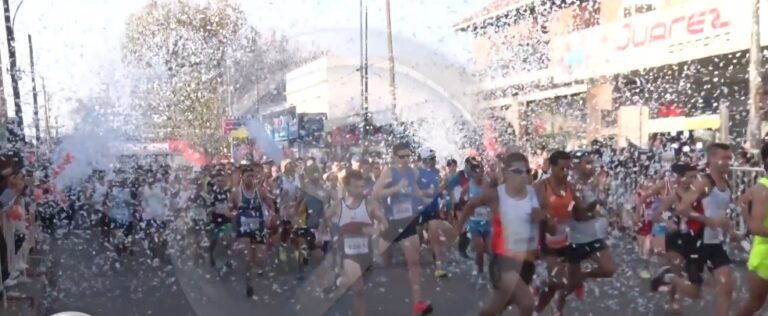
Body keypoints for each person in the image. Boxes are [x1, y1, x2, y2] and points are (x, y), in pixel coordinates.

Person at [651, 143, 734, 316]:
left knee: (727, 287)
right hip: (695, 241)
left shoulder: (726, 183)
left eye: (729, 157)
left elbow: (719, 215)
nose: (728, 161)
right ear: (712, 158)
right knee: (695, 293)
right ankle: (669, 278)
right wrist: (669, 223)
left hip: (714, 243)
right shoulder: (703, 182)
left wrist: (734, 233)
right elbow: (680, 209)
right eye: (724, 158)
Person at [457, 152, 545, 316]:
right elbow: (470, 205)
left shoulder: (532, 193)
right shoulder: (496, 194)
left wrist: (543, 218)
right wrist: (460, 229)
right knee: (527, 304)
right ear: (506, 172)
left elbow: (544, 220)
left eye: (526, 171)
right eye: (517, 171)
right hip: (503, 262)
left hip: (526, 261)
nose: (523, 175)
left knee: (497, 307)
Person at [373, 142, 433, 315]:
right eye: (402, 156)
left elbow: (415, 191)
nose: (406, 159)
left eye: (408, 156)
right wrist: (396, 188)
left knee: (414, 262)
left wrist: (426, 195)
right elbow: (375, 193)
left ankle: (418, 303)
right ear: (394, 157)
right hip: (390, 223)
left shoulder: (412, 172)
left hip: (406, 222)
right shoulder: (389, 172)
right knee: (383, 261)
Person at [324, 170, 388, 316]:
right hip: (347, 253)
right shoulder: (338, 206)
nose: (360, 190)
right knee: (358, 288)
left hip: (366, 253)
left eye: (361, 186)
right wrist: (333, 235)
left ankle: (342, 281)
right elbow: (326, 219)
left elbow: (384, 223)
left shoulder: (370, 204)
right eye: (356, 187)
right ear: (346, 187)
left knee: (360, 292)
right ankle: (342, 278)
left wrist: (376, 230)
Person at [652, 162, 699, 314]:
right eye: (690, 177)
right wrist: (668, 222)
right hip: (675, 238)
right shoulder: (674, 196)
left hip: (693, 238)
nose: (694, 180)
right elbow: (656, 215)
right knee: (678, 271)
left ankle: (667, 278)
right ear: (681, 177)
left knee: (691, 276)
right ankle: (675, 304)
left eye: (696, 177)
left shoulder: (699, 195)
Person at [533, 150, 574, 314]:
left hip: (567, 240)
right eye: (562, 169)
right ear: (551, 167)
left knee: (564, 282)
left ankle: (557, 310)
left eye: (568, 169)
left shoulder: (570, 186)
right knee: (558, 281)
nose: (566, 173)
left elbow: (575, 209)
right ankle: (538, 309)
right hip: (546, 242)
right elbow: (532, 211)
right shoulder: (540, 187)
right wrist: (545, 218)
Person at [230, 162, 271, 299]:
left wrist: (270, 217)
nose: (250, 179)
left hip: (258, 228)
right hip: (244, 230)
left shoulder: (260, 191)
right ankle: (249, 284)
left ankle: (258, 267)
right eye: (248, 176)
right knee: (248, 259)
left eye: (252, 176)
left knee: (260, 258)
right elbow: (228, 210)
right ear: (242, 177)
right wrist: (233, 216)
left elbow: (271, 206)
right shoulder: (236, 193)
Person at [737, 141, 768, 315]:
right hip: (765, 258)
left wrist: (747, 219)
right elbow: (756, 228)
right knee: (755, 303)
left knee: (755, 304)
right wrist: (750, 223)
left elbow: (741, 200)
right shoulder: (763, 189)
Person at [415, 147, 448, 278]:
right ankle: (416, 262)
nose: (435, 161)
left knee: (435, 237)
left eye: (435, 158)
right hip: (419, 210)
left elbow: (439, 190)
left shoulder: (437, 172)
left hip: (433, 209)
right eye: (432, 158)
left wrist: (443, 193)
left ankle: (439, 267)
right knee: (419, 239)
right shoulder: (417, 173)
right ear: (425, 160)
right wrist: (424, 193)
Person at [459, 156, 490, 280]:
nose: (480, 173)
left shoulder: (488, 184)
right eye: (476, 170)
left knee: (490, 249)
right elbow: (461, 200)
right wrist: (467, 207)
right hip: (475, 223)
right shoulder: (468, 186)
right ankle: (480, 272)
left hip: (488, 223)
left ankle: (492, 270)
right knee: (480, 248)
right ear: (472, 173)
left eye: (481, 169)